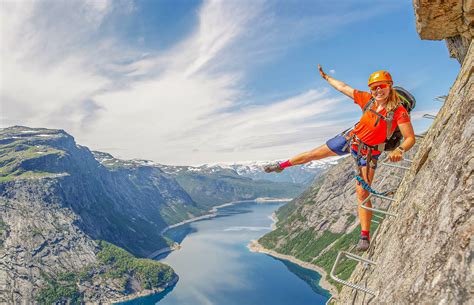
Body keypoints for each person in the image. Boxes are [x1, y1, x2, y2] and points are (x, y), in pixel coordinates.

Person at [263, 65, 416, 251]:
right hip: (350, 139)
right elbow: (343, 88)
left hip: (369, 152)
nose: (377, 90)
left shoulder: (399, 111)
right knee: (313, 154)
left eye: (381, 86)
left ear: (389, 86)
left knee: (362, 193)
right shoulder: (367, 100)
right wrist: (326, 77)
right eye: (374, 87)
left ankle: (364, 236)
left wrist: (399, 149)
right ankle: (282, 165)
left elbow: (410, 138)